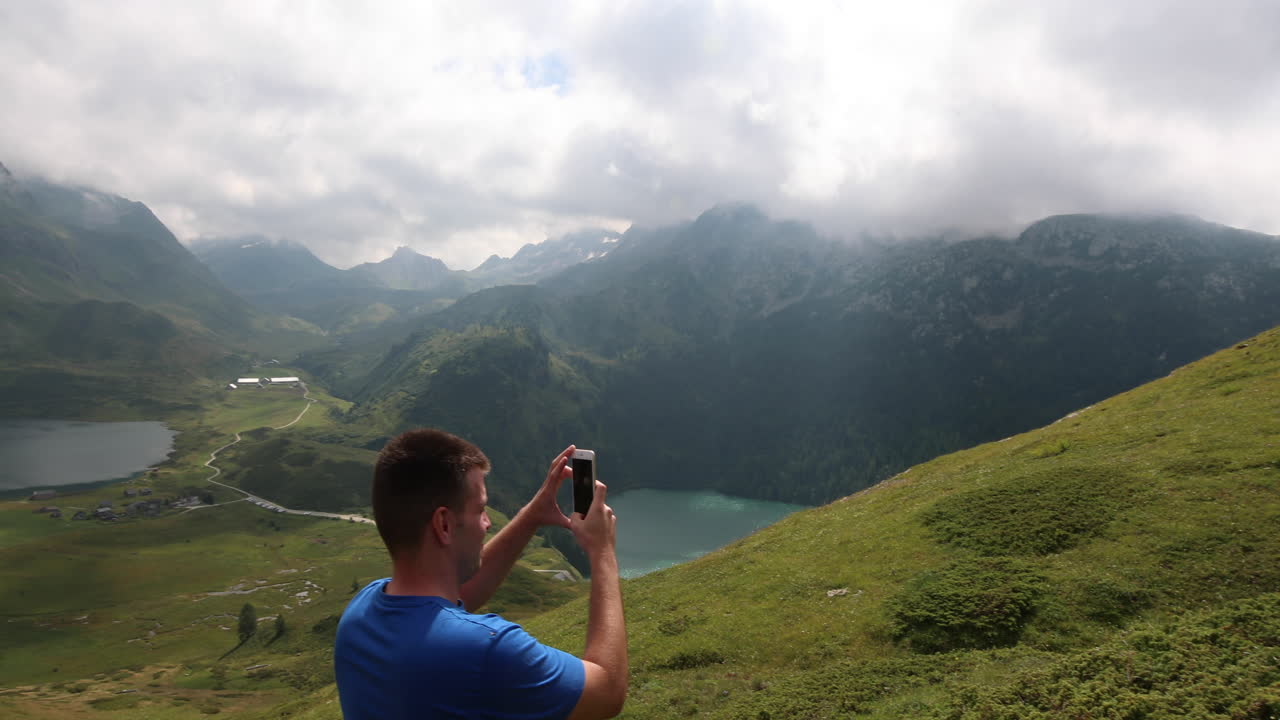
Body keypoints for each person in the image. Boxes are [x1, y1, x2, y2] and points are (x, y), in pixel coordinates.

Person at [334, 428, 627, 720]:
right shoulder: (485, 648)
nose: (487, 523)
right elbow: (607, 691)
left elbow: (449, 600)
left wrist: (533, 515)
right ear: (444, 524)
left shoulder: (360, 613)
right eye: (481, 510)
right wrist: (601, 551)